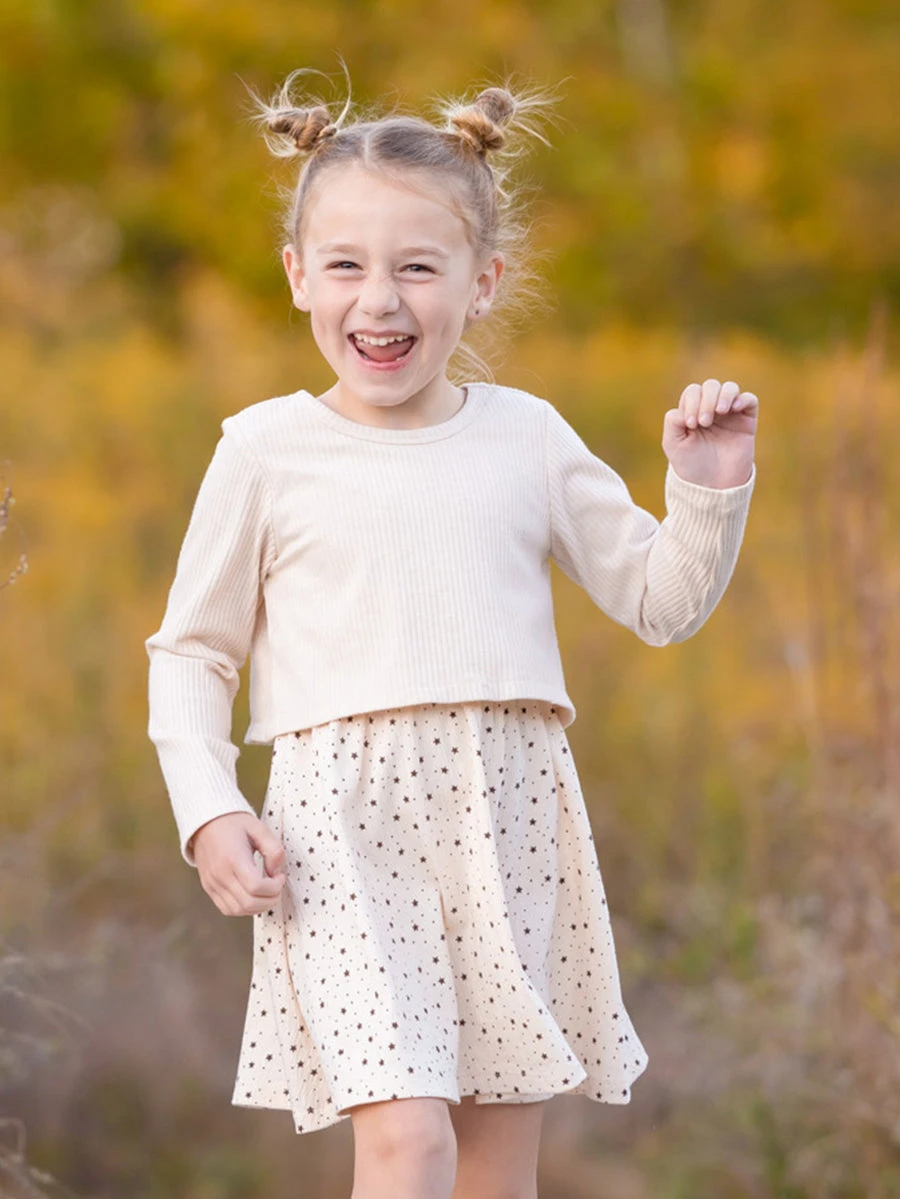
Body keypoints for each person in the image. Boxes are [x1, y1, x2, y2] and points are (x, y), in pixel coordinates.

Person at [145, 66, 757, 1199]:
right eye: (347, 267)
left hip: (509, 810)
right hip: (340, 827)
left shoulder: (525, 438)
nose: (380, 301)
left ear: (483, 282)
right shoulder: (265, 451)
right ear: (297, 278)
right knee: (408, 1139)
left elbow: (660, 603)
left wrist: (707, 489)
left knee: (491, 1158)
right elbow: (193, 650)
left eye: (417, 269)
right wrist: (209, 808)